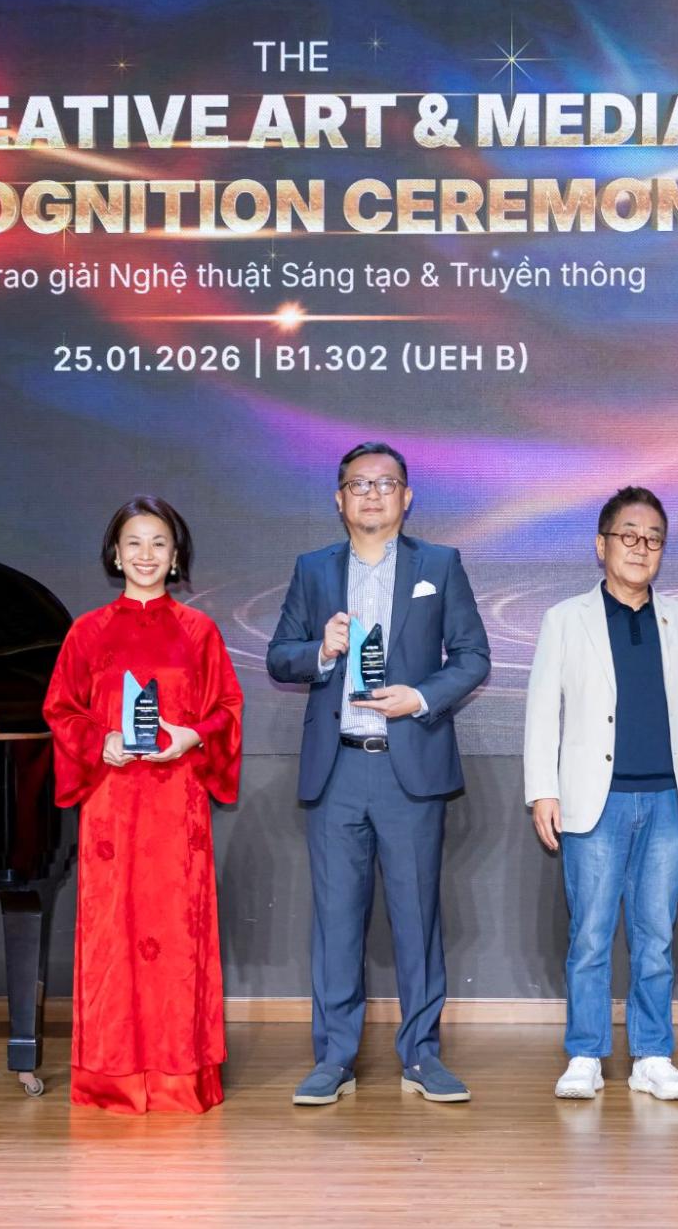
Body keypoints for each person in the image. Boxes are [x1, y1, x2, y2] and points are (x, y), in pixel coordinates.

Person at [266, 442, 491, 1105]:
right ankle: (333, 1058)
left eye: (385, 483)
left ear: (406, 496)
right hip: (336, 767)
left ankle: (421, 1055)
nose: (372, 494)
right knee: (336, 921)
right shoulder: (313, 569)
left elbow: (473, 655)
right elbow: (279, 655)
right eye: (358, 484)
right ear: (338, 499)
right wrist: (321, 650)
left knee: (416, 918)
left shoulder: (439, 564)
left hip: (407, 767)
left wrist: (419, 696)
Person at [523, 487, 678, 1101]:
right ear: (601, 544)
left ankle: (652, 1055)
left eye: (653, 539)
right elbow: (543, 712)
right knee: (589, 935)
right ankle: (585, 1054)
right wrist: (542, 791)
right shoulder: (565, 619)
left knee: (655, 937)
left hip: (669, 801)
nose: (641, 548)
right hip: (594, 801)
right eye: (629, 536)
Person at [42, 496, 243, 1114]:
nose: (146, 554)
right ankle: (112, 1078)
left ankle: (182, 1078)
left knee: (176, 937)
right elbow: (60, 709)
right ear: (115, 553)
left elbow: (227, 710)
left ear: (176, 555)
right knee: (112, 936)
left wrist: (192, 736)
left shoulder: (199, 631)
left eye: (159, 543)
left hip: (177, 806)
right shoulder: (87, 631)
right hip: (111, 806)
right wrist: (97, 740)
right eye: (134, 542)